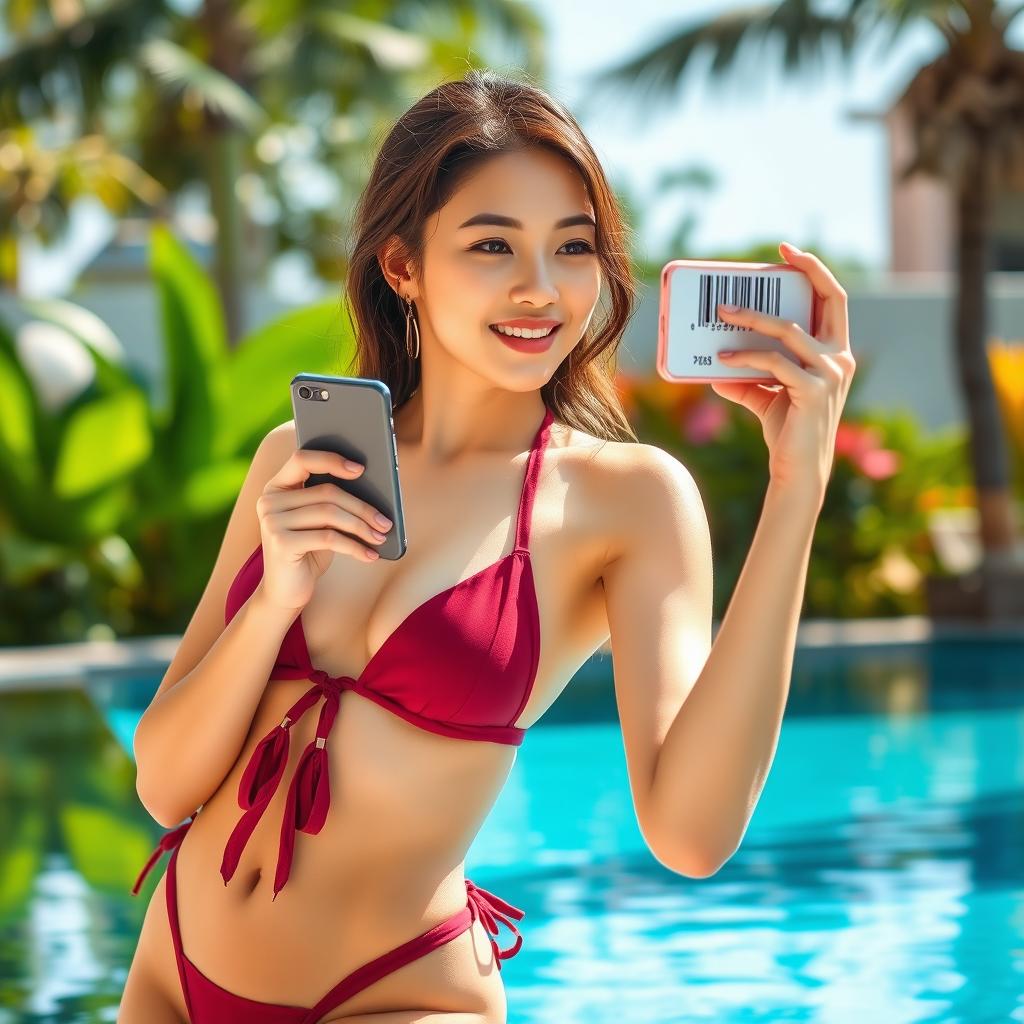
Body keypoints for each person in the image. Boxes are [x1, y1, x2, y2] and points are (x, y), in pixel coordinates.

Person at [118, 68, 853, 1024]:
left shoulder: (625, 502)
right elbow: (164, 783)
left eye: (573, 247)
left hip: (394, 996)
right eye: (491, 244)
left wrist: (798, 491)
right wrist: (276, 600)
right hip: (174, 968)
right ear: (402, 267)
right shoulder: (297, 461)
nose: (540, 289)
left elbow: (691, 835)